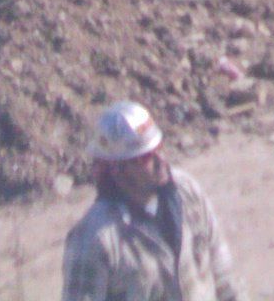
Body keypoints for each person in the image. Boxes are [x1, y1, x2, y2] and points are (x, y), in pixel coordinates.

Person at [62, 100, 249, 301]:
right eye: (146, 157)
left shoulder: (187, 193)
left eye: (159, 147)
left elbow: (223, 274)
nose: (161, 160)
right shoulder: (94, 238)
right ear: (117, 169)